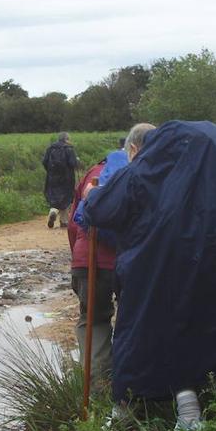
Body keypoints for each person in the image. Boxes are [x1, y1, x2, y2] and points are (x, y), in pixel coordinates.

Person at [83, 121, 216, 422]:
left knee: (143, 330)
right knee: (198, 330)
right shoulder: (215, 168)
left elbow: (105, 208)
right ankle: (193, 408)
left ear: (135, 150)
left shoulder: (147, 170)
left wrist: (90, 194)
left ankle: (124, 408)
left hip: (158, 271)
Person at [66, 133, 132, 386]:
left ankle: (96, 386)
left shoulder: (94, 172)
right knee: (131, 321)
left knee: (93, 321)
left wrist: (78, 261)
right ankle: (127, 387)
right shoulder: (142, 174)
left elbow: (74, 224)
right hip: (129, 261)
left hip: (89, 259)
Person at [42, 131, 79, 228]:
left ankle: (53, 211)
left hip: (52, 177)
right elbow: (72, 163)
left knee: (54, 196)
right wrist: (77, 161)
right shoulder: (69, 149)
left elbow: (44, 161)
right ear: (66, 139)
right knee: (66, 198)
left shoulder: (50, 148)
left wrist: (50, 171)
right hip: (67, 178)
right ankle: (64, 221)